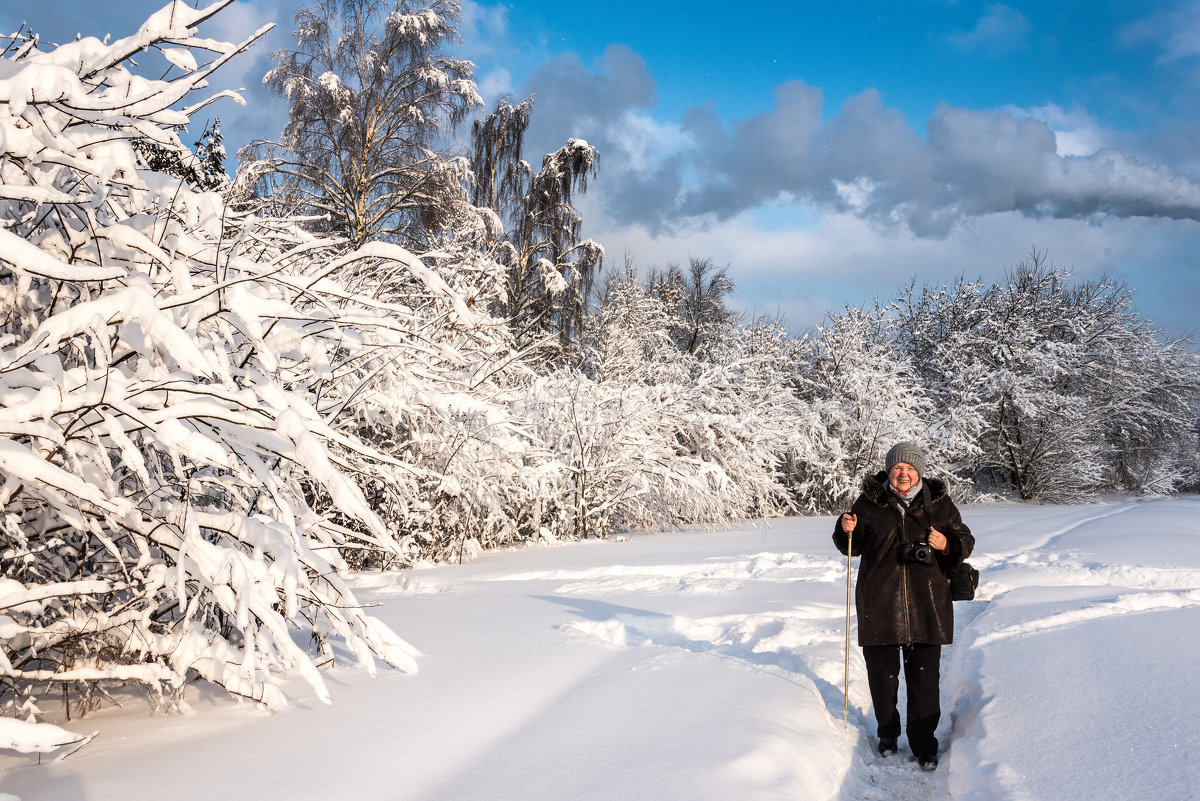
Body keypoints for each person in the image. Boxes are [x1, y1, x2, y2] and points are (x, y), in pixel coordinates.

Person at [833, 442, 974, 771]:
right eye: (898, 468)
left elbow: (965, 540)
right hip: (879, 601)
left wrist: (947, 544)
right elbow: (851, 546)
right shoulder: (870, 502)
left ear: (919, 472)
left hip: (928, 603)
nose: (904, 474)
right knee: (882, 679)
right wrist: (845, 530)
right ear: (889, 470)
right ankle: (887, 734)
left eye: (910, 469)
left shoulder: (939, 504)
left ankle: (924, 745)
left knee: (924, 682)